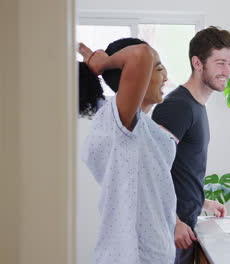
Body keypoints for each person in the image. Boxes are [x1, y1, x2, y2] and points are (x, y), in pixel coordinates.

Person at [78, 38, 177, 264]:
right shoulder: (118, 124)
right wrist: (103, 64)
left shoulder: (139, 125)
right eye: (158, 68)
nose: (165, 77)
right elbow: (141, 54)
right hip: (132, 256)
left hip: (155, 253)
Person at [151, 26, 230, 263]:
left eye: (229, 63)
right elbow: (152, 169)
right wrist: (174, 221)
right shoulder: (178, 107)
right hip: (170, 231)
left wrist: (202, 201)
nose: (227, 71)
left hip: (184, 226)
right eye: (220, 63)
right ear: (198, 63)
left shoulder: (196, 105)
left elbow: (179, 168)